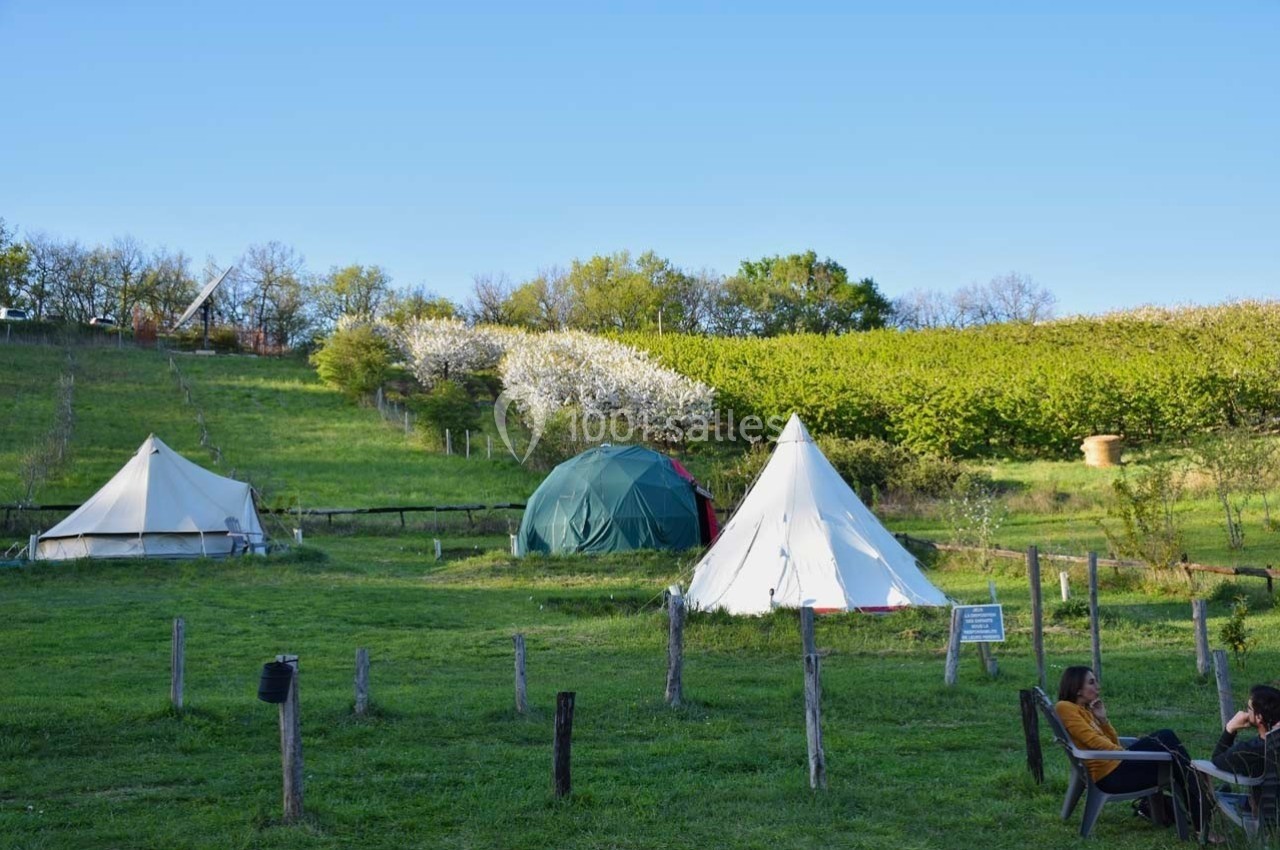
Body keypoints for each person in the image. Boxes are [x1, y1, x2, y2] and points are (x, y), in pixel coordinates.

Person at [1055, 665, 1214, 836]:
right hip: (1111, 777)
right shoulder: (1065, 707)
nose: (1097, 687)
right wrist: (1124, 754)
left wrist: (1103, 719)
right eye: (1092, 683)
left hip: (1115, 766)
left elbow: (1110, 741)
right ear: (1077, 688)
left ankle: (1200, 809)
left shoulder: (1085, 711)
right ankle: (1202, 805)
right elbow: (1093, 741)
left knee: (1175, 760)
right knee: (1167, 739)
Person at [1210, 683, 1280, 813]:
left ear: (1259, 717)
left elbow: (1217, 759)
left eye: (1248, 709)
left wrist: (1230, 728)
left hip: (1265, 813)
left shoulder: (1250, 751)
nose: (1245, 712)